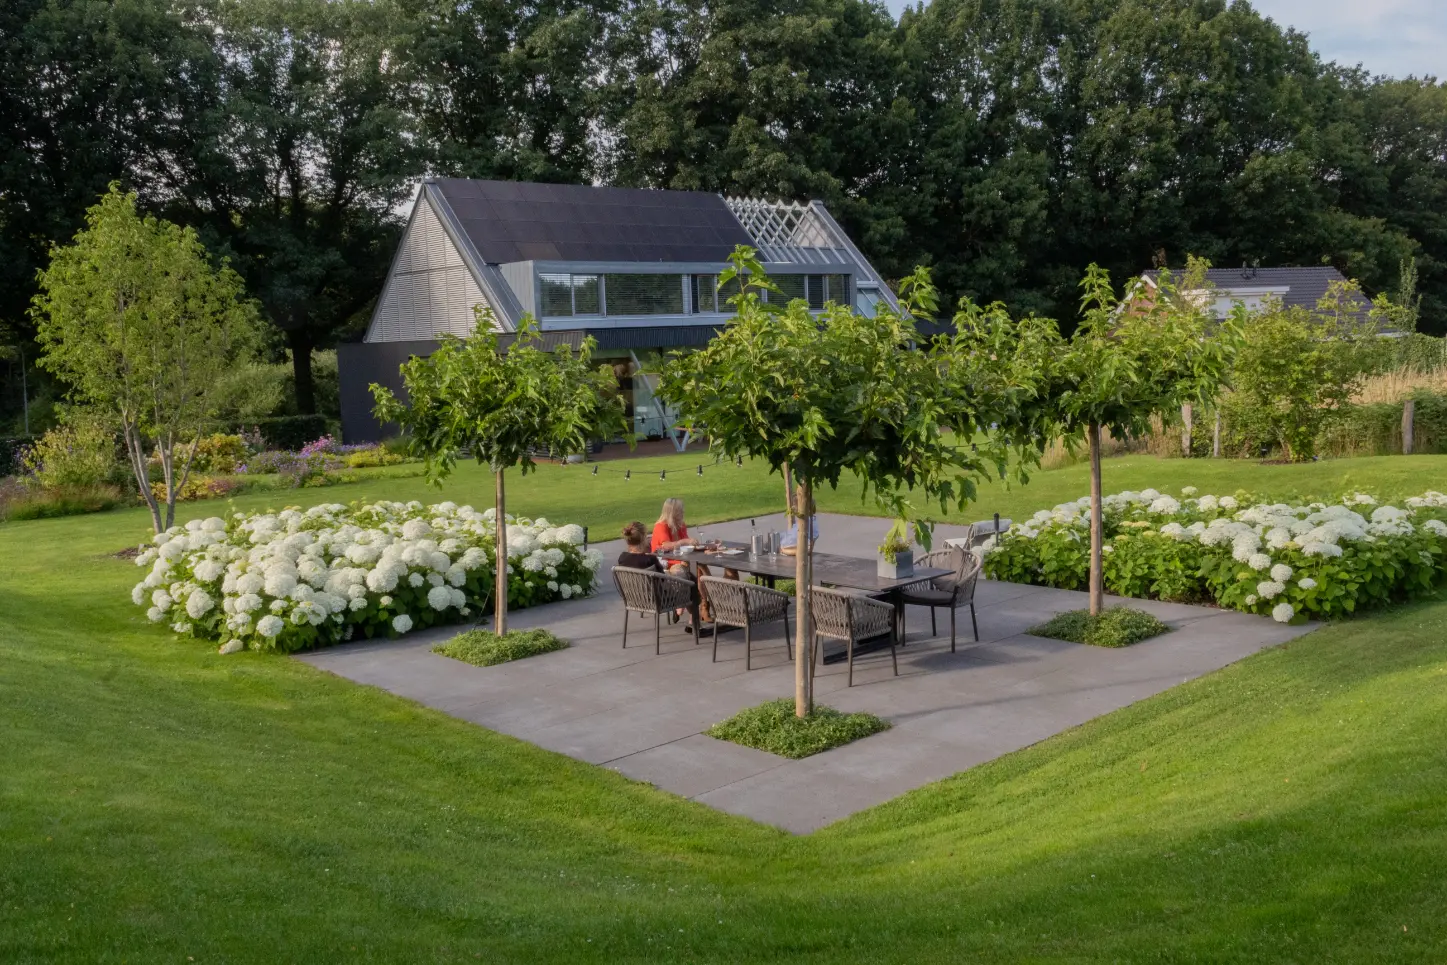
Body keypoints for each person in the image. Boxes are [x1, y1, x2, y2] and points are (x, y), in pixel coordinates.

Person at [781, 484, 818, 556]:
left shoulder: (809, 525)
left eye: (794, 506)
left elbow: (807, 550)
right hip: (779, 543)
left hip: (783, 549)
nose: (792, 508)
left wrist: (784, 550)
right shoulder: (805, 521)